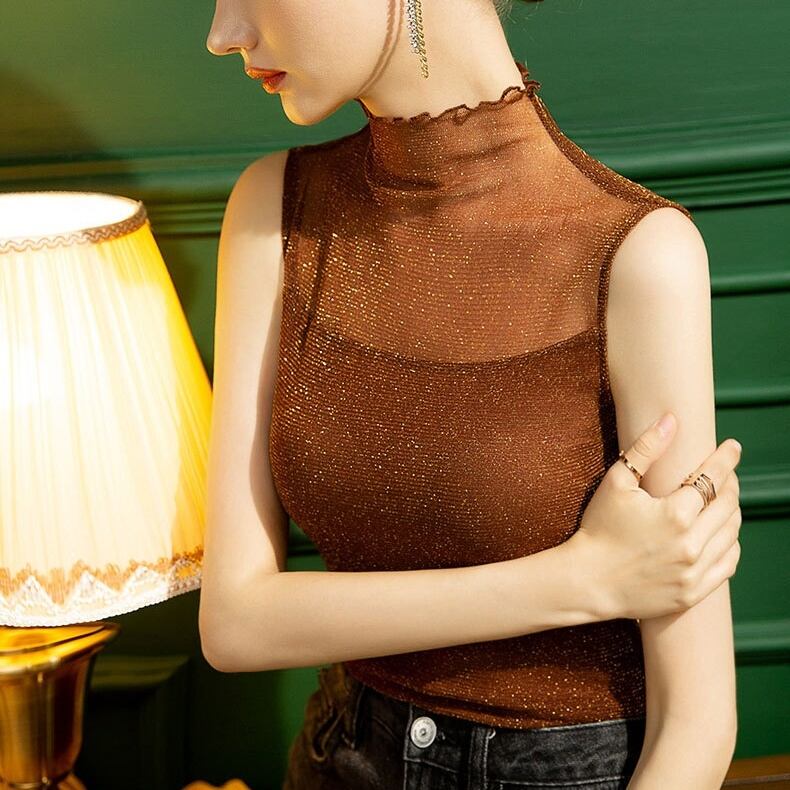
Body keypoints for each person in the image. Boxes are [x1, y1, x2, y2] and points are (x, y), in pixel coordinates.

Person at [201, 1, 744, 788]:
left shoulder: (640, 255)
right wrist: (577, 581)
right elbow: (232, 624)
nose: (222, 35)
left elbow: (697, 728)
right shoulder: (271, 213)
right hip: (341, 758)